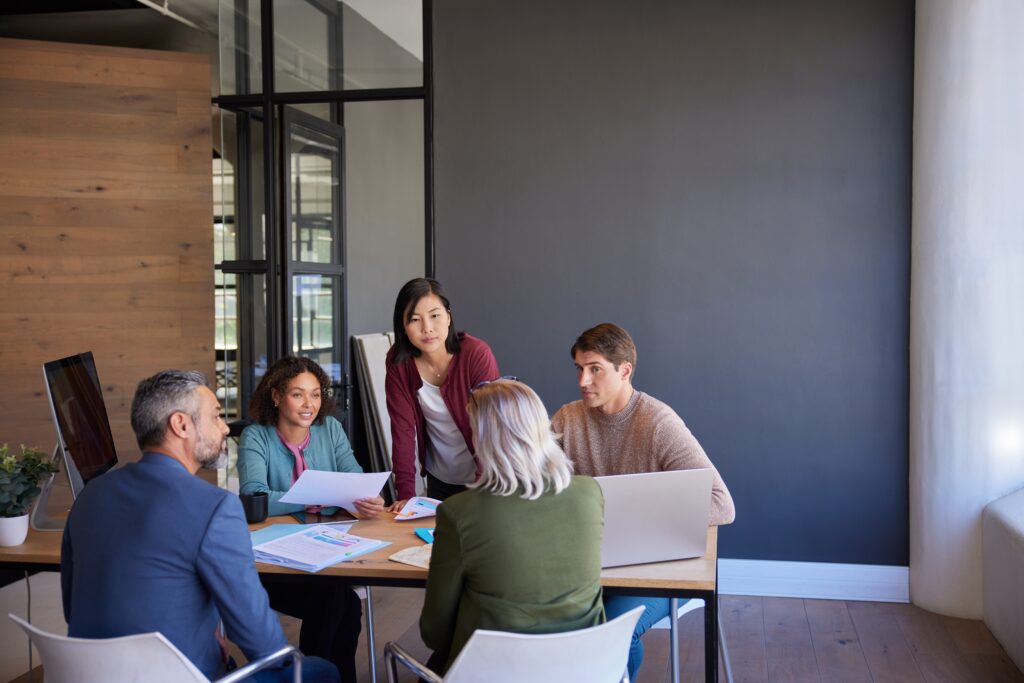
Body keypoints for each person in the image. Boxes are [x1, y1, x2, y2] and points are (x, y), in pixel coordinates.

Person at [60, 370, 338, 683]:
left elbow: (73, 610)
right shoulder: (215, 507)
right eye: (216, 416)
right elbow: (266, 648)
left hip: (88, 675)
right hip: (185, 677)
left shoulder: (88, 497)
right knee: (323, 671)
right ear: (181, 425)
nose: (224, 427)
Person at [552, 323, 736, 681]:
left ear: (624, 370)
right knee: (552, 620)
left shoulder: (658, 423)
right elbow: (535, 484)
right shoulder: (567, 418)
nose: (583, 381)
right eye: (579, 369)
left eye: (595, 370)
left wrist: (642, 522)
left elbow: (722, 504)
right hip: (591, 565)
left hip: (658, 569)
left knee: (613, 629)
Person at [420, 379, 605, 672]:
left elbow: (433, 631)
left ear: (484, 438)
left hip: (495, 669)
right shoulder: (589, 493)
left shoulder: (458, 512)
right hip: (582, 666)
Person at [238, 355, 384, 682]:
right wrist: (320, 497)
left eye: (316, 394)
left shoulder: (330, 429)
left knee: (340, 602)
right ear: (276, 396)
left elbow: (354, 478)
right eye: (298, 394)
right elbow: (253, 498)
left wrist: (367, 500)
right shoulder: (256, 437)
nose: (309, 404)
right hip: (273, 564)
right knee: (339, 602)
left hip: (325, 552)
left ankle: (316, 676)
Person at [385, 277, 499, 506]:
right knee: (437, 541)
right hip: (440, 477)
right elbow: (402, 430)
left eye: (435, 315)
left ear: (449, 316)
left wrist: (480, 492)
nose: (427, 328)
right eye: (415, 319)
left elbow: (491, 429)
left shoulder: (475, 355)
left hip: (485, 476)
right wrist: (406, 496)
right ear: (403, 327)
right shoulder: (399, 361)